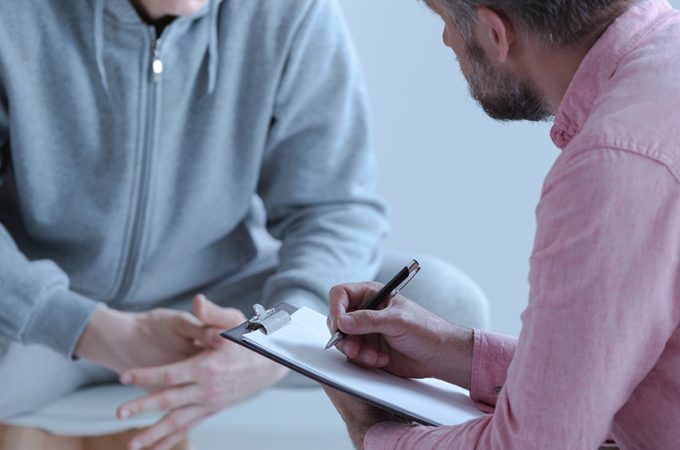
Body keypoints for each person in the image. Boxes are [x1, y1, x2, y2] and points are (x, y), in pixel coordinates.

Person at [0, 0, 489, 449]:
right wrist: (91, 328)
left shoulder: (291, 11)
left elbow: (335, 207)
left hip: (223, 303)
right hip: (42, 313)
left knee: (445, 303)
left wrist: (275, 346)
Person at [323, 0, 680, 448]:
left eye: (445, 21)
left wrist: (373, 432)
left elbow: (530, 444)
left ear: (495, 33)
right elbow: (599, 379)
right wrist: (453, 351)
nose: (446, 40)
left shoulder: (614, 166)